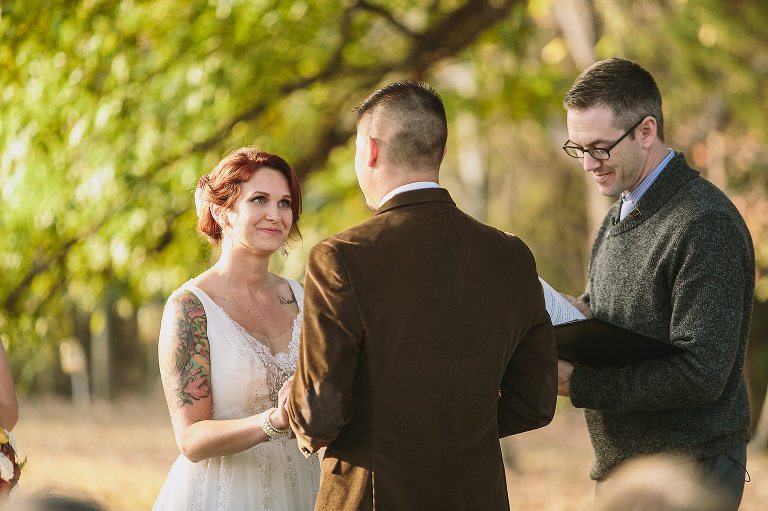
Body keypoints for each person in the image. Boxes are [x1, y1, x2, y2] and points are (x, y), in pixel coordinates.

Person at [286, 80, 558, 511]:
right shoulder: (511, 255)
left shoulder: (341, 257)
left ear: (370, 150)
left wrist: (294, 402)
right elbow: (535, 402)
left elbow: (319, 414)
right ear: (441, 153)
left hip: (372, 497)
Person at [557, 58, 754, 509]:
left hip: (688, 473)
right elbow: (622, 318)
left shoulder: (705, 223)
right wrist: (572, 313)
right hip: (626, 470)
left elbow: (701, 374)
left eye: (601, 148)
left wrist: (580, 386)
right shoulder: (616, 218)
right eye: (578, 147)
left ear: (646, 131)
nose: (588, 164)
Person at [152, 147, 319, 510]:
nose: (276, 215)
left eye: (285, 203)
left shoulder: (303, 297)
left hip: (303, 490)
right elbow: (191, 439)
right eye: (260, 200)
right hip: (224, 493)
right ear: (221, 211)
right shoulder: (190, 309)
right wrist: (274, 420)